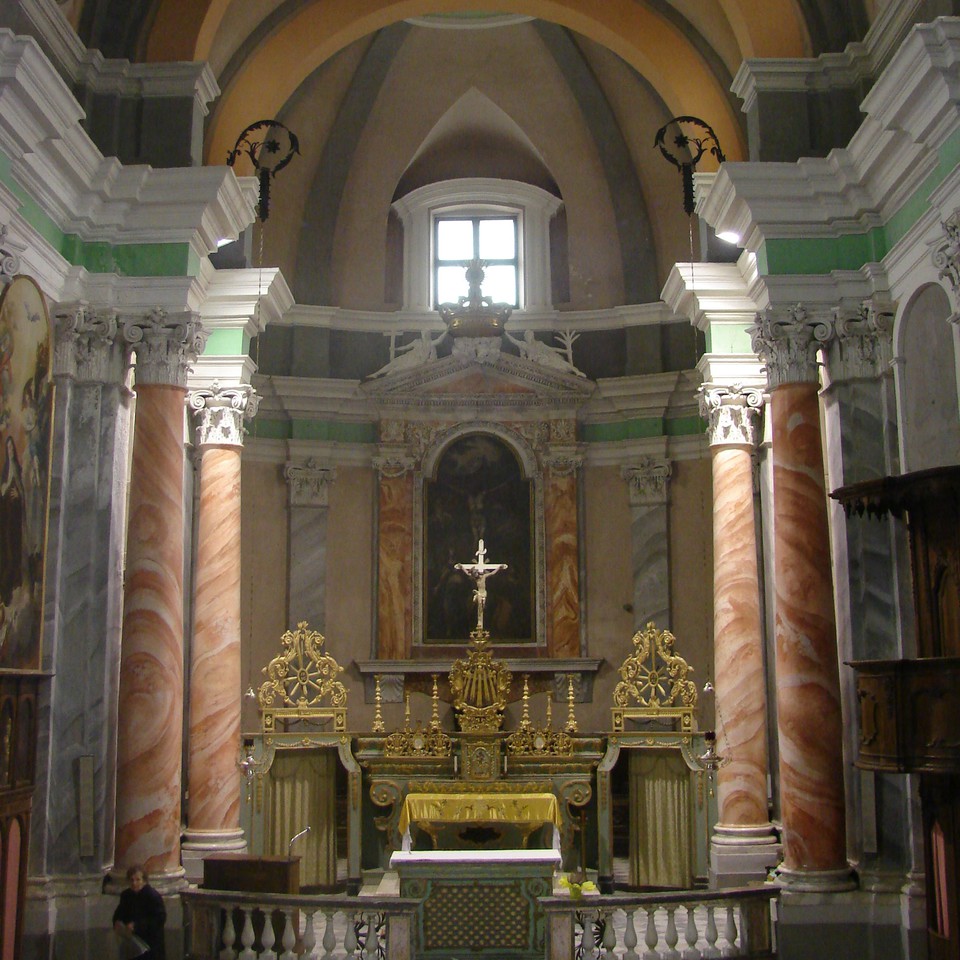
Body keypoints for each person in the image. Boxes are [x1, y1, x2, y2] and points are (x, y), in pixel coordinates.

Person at [112, 865, 166, 960]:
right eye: (132, 880)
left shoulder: (152, 896)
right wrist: (117, 921)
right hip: (132, 943)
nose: (134, 883)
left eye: (138, 880)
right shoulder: (126, 895)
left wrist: (136, 925)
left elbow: (159, 919)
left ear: (144, 881)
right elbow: (120, 913)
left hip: (150, 943)